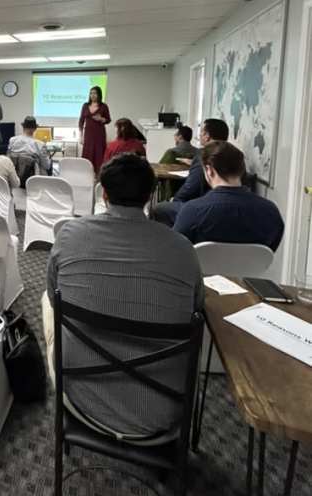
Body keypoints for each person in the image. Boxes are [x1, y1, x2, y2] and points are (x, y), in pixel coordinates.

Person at [43, 152, 204, 442]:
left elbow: (57, 300)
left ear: (103, 193)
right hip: (164, 408)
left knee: (48, 299)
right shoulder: (183, 250)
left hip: (81, 397)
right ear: (150, 195)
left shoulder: (69, 235)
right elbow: (197, 312)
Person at [174, 141, 284, 251]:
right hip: (249, 268)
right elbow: (269, 251)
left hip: (202, 268)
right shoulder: (271, 212)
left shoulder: (192, 210)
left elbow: (177, 252)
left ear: (209, 170)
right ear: (241, 169)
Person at [152, 118, 229, 227]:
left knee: (159, 208)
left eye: (202, 131)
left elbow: (191, 187)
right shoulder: (234, 155)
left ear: (207, 136)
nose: (200, 135)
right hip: (227, 209)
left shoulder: (203, 156)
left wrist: (175, 199)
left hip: (204, 208)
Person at [79, 85, 111, 174]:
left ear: (99, 95)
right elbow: (81, 121)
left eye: (95, 93)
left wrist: (101, 119)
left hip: (99, 134)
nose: (92, 95)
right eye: (91, 93)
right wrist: (81, 136)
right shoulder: (85, 105)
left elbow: (108, 120)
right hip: (88, 134)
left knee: (99, 154)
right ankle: (87, 173)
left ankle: (98, 174)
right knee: (87, 153)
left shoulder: (104, 106)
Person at [8, 116, 52, 180]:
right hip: (32, 180)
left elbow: (9, 158)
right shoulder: (40, 144)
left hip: (15, 177)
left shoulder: (12, 140)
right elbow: (47, 166)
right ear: (35, 129)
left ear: (23, 127)